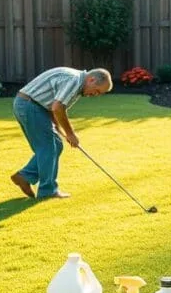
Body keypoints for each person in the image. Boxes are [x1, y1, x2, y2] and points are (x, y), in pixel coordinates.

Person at [11, 67, 113, 199]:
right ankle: (47, 191)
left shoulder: (77, 84)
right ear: (91, 79)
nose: (95, 95)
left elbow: (54, 108)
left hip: (35, 106)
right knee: (47, 147)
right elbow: (58, 107)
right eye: (97, 91)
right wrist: (70, 134)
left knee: (56, 144)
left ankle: (25, 176)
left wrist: (59, 129)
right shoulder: (74, 80)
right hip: (30, 106)